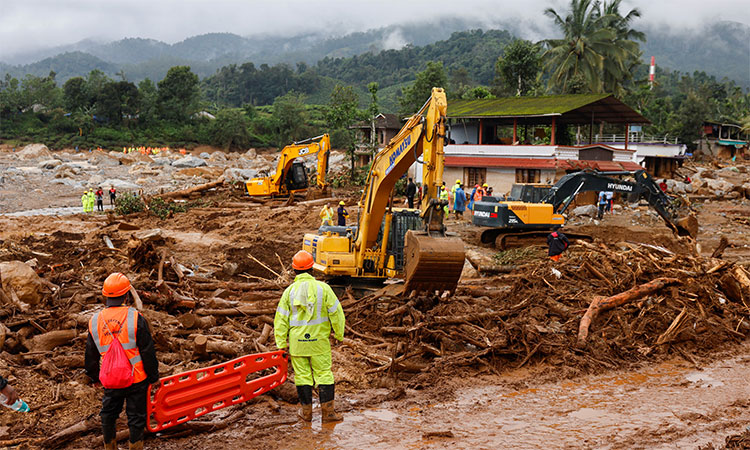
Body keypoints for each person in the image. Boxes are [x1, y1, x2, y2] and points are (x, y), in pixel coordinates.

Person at [85, 273, 159, 450]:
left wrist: (94, 377)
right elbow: (147, 351)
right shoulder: (135, 318)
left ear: (105, 296)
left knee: (108, 414)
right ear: (126, 295)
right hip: (137, 378)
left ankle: (109, 446)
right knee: (136, 417)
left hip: (111, 379)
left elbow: (90, 354)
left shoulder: (95, 321)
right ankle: (135, 446)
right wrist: (154, 376)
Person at [274, 251, 345, 423]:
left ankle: (306, 414)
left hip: (298, 343)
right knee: (324, 375)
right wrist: (339, 334)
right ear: (312, 268)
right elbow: (337, 313)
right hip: (319, 343)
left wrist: (281, 343)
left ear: (294, 270)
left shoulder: (289, 292)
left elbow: (281, 319)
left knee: (302, 376)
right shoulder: (324, 289)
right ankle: (328, 414)